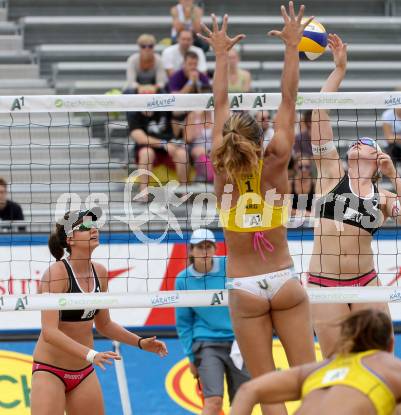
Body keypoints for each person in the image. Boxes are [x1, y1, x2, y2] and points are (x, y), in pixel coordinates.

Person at [198, 5, 316, 415]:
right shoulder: (278, 157)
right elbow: (289, 96)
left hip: (244, 288)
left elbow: (219, 102)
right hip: (282, 278)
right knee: (313, 383)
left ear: (229, 138)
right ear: (260, 135)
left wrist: (219, 56)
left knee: (268, 392)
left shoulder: (221, 166)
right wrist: (291, 47)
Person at [309, 34, 401, 358]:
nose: (359, 143)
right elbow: (319, 113)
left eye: (368, 143)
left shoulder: (383, 195)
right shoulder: (330, 174)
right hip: (323, 284)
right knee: (335, 364)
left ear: (377, 160)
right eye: (356, 142)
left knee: (380, 361)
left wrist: (394, 177)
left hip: (365, 283)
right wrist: (339, 71)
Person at [31, 208, 168, 415]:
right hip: (50, 370)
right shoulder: (56, 274)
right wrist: (91, 354)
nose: (94, 229)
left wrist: (140, 342)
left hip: (83, 372)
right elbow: (49, 332)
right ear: (70, 239)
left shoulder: (100, 272)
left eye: (95, 225)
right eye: (85, 227)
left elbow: (104, 325)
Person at [230, 309, 401, 415]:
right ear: (390, 344)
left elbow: (248, 391)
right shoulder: (397, 369)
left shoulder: (319, 368)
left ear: (348, 341)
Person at [176, 228, 250, 415]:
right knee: (214, 402)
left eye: (209, 246)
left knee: (243, 402)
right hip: (207, 343)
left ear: (215, 249)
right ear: (191, 251)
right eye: (200, 247)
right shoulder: (182, 279)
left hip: (238, 342)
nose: (205, 251)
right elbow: (184, 324)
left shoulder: (229, 265)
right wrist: (191, 358)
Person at [127, 110, 190, 195]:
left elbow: (176, 132)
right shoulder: (134, 114)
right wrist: (163, 144)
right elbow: (140, 138)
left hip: (168, 150)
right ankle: (143, 193)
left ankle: (184, 192)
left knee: (182, 153)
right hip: (149, 149)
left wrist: (177, 116)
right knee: (147, 153)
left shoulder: (164, 109)